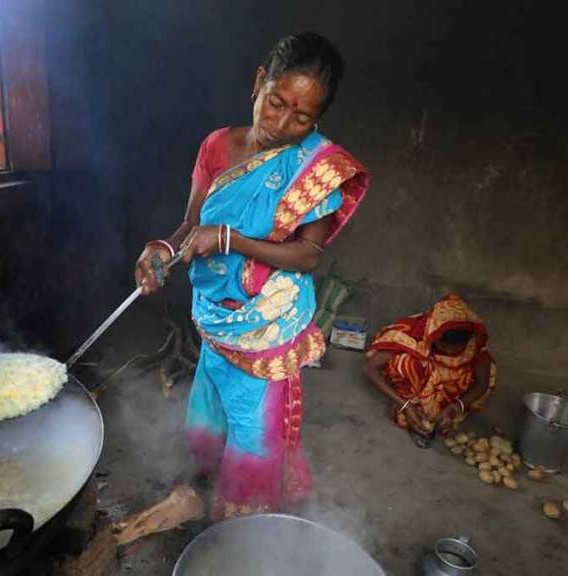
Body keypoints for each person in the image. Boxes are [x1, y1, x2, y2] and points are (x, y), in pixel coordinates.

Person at [133, 31, 369, 520]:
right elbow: (190, 224)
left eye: (302, 117)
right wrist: (162, 249)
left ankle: (245, 519)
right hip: (217, 320)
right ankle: (211, 489)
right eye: (276, 102)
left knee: (252, 429)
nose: (282, 124)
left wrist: (230, 240)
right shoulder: (217, 146)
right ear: (259, 82)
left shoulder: (314, 167)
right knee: (211, 409)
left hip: (266, 326)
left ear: (317, 119)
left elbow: (307, 255)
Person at [363, 294, 497, 447]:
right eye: (443, 347)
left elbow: (482, 383)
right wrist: (404, 405)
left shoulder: (475, 345)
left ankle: (437, 410)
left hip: (446, 387)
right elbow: (370, 369)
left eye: (455, 350)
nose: (447, 352)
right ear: (434, 335)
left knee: (488, 371)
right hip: (418, 381)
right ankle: (404, 400)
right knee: (406, 362)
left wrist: (455, 407)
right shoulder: (413, 334)